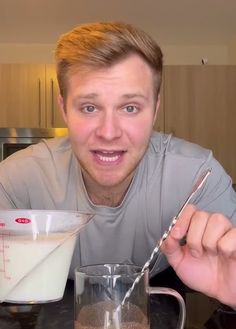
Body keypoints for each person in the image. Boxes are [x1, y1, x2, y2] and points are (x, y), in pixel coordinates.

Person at [0, 21, 235, 306]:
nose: (108, 132)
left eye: (130, 108)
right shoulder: (15, 180)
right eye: (89, 107)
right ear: (63, 108)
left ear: (155, 109)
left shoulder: (200, 177)